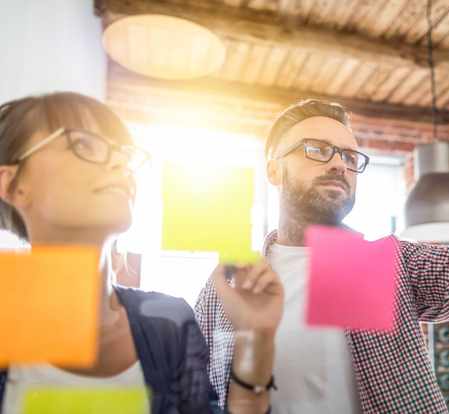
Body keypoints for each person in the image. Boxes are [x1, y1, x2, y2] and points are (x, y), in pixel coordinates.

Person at [194, 3, 449, 412]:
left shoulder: (383, 264)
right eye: (318, 150)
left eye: (350, 156)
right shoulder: (229, 285)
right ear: (274, 171)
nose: (338, 164)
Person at [0, 92, 279, 414]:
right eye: (84, 144)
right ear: (13, 184)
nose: (121, 164)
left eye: (124, 155)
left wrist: (256, 339)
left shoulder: (170, 323)